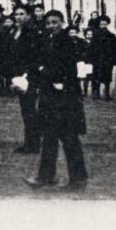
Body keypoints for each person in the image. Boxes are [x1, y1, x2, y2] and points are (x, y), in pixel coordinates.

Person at [25, 10, 88, 190]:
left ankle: (78, 178)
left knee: (68, 137)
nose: (52, 26)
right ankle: (46, 176)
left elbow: (65, 68)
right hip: (50, 96)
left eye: (55, 22)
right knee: (49, 137)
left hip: (64, 97)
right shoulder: (47, 40)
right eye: (48, 23)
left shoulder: (67, 42)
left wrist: (43, 70)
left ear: (62, 23)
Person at [9, 5, 42, 153]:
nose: (18, 17)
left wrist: (28, 72)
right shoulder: (16, 30)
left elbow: (35, 54)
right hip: (19, 73)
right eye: (16, 14)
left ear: (28, 15)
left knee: (29, 109)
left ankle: (33, 144)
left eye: (22, 14)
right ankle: (30, 142)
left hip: (29, 75)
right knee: (26, 109)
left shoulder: (32, 31)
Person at [89, 15, 116, 101]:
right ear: (99, 25)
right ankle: (97, 92)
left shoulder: (111, 36)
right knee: (96, 76)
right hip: (97, 59)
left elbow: (115, 48)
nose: (103, 26)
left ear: (107, 25)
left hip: (107, 60)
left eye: (105, 24)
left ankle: (107, 93)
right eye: (101, 24)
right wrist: (90, 59)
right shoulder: (95, 36)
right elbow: (91, 48)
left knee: (107, 77)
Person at [0, 16, 16, 94]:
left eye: (9, 22)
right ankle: (2, 87)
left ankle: (8, 87)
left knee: (9, 72)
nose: (7, 24)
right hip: (2, 55)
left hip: (11, 55)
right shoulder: (2, 32)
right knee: (1, 72)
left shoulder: (15, 32)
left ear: (13, 23)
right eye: (6, 22)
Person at [81, 28, 96, 95]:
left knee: (93, 78)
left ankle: (93, 91)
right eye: (88, 34)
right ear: (85, 35)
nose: (89, 36)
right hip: (86, 62)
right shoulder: (82, 42)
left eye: (91, 34)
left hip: (93, 62)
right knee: (85, 78)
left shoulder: (95, 42)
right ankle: (85, 91)